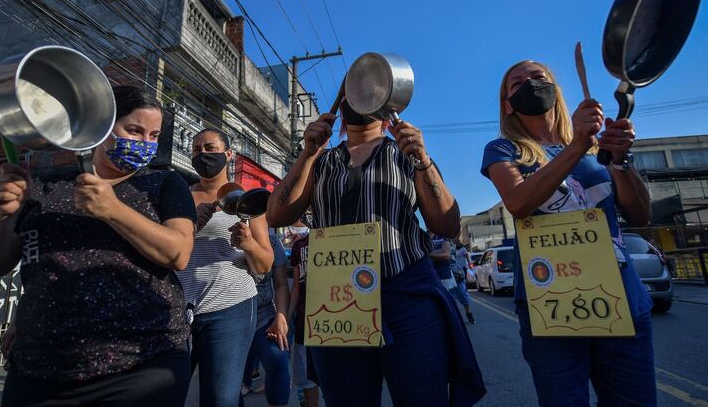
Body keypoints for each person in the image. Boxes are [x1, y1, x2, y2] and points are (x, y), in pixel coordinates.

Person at [0, 85, 197, 406]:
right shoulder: (45, 186)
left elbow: (178, 252)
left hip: (141, 367)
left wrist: (113, 210)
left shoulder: (164, 184)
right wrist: (1, 213)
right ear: (100, 126)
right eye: (134, 131)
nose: (145, 144)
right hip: (39, 370)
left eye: (154, 136)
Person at [267, 97, 486, 407]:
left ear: (387, 103)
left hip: (407, 296)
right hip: (337, 301)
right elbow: (276, 216)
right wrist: (307, 153)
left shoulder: (407, 154)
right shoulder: (320, 162)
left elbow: (448, 225)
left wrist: (422, 159)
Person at [481, 60, 655, 406]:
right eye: (516, 84)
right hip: (549, 301)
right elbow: (518, 202)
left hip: (619, 294)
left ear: (556, 89)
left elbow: (641, 214)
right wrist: (576, 146)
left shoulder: (596, 148)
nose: (529, 85)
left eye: (538, 78)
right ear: (507, 105)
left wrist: (619, 159)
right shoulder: (503, 150)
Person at [177, 128, 273, 407]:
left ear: (228, 155)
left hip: (232, 307)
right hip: (181, 310)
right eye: (196, 150)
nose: (203, 155)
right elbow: (165, 248)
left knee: (221, 398)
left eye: (210, 148)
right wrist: (191, 225)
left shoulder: (249, 202)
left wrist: (249, 244)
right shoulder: (179, 196)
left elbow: (265, 264)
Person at [239, 231, 291, 406]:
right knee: (227, 385)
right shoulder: (224, 233)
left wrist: (281, 316)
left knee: (279, 362)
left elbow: (281, 283)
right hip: (231, 319)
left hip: (264, 319)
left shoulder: (273, 241)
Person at [286, 218, 320, 407]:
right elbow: (297, 287)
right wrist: (286, 317)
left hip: (336, 318)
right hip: (304, 322)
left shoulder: (345, 237)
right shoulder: (300, 245)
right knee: (307, 378)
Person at [429, 235, 476, 324]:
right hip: (443, 274)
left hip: (456, 273)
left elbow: (446, 255)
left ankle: (468, 313)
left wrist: (430, 254)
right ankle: (455, 318)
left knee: (462, 295)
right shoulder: (431, 239)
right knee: (451, 299)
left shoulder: (446, 240)